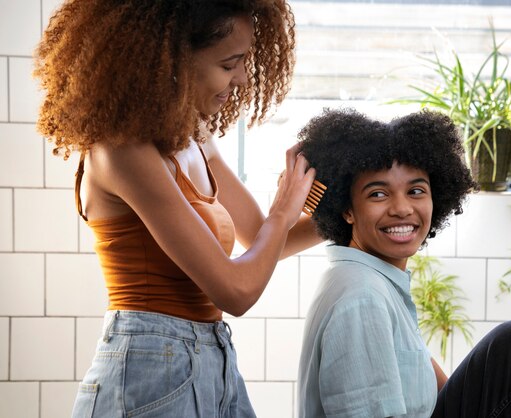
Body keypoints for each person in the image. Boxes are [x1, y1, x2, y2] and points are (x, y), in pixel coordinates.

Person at [34, 1, 323, 417]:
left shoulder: (196, 135)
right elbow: (236, 291)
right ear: (172, 57)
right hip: (147, 368)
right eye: (230, 64)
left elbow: (263, 240)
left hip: (213, 359)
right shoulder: (122, 150)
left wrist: (348, 213)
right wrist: (284, 208)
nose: (242, 77)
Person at [296, 108, 511, 418]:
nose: (402, 208)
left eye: (416, 191)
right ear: (347, 210)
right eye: (378, 194)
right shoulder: (362, 296)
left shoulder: (372, 281)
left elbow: (445, 396)